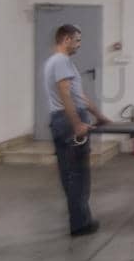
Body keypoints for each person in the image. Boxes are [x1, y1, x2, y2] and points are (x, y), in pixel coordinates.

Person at [44, 23, 110, 236]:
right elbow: (65, 94)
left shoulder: (54, 63)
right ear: (66, 39)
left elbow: (79, 96)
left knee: (70, 174)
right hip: (68, 120)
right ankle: (81, 224)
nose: (79, 45)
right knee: (78, 175)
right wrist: (77, 123)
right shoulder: (62, 62)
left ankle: (80, 219)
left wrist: (99, 116)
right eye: (77, 40)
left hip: (60, 119)